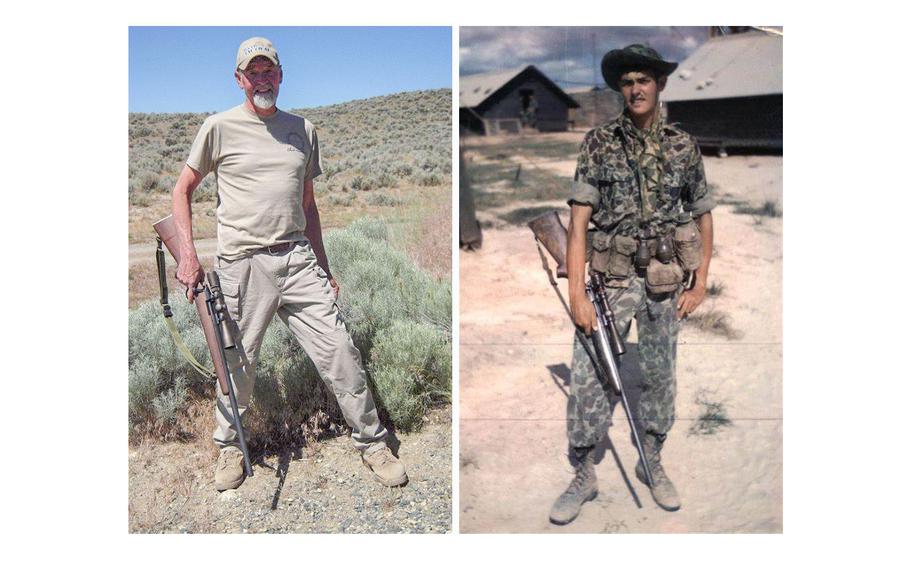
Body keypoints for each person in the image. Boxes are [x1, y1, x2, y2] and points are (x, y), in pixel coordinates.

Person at [171, 37, 407, 491]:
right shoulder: (217, 127)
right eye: (252, 72)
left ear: (280, 75)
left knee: (340, 351)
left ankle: (373, 442)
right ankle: (229, 450)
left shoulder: (303, 129)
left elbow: (309, 205)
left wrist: (324, 265)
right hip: (243, 266)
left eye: (269, 71)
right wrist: (188, 256)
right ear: (239, 79)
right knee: (235, 363)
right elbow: (182, 190)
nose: (262, 79)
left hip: (298, 260)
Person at [549, 44, 715, 523]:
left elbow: (703, 214)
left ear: (660, 85)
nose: (635, 88)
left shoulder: (684, 144)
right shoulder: (599, 142)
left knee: (661, 375)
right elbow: (578, 222)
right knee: (591, 373)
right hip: (611, 279)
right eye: (627, 81)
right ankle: (583, 471)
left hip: (665, 280)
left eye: (644, 79)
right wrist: (578, 293)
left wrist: (701, 280)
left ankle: (653, 460)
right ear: (620, 89)